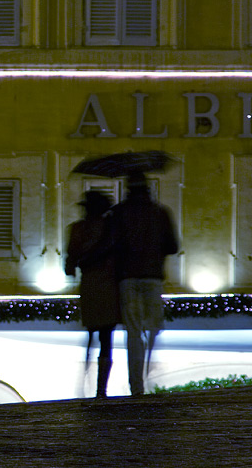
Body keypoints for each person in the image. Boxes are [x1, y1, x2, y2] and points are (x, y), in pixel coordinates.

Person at [107, 171, 179, 395]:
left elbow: (112, 245)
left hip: (127, 277)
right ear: (148, 190)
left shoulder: (118, 213)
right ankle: (147, 371)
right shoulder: (160, 212)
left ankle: (135, 383)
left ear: (129, 190)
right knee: (153, 327)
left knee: (133, 331)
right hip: (152, 276)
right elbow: (173, 246)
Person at [65, 190, 120, 399]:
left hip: (89, 284)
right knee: (107, 338)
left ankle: (86, 381)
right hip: (108, 284)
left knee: (91, 335)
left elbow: (69, 263)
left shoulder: (77, 229)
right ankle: (100, 389)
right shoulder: (111, 230)